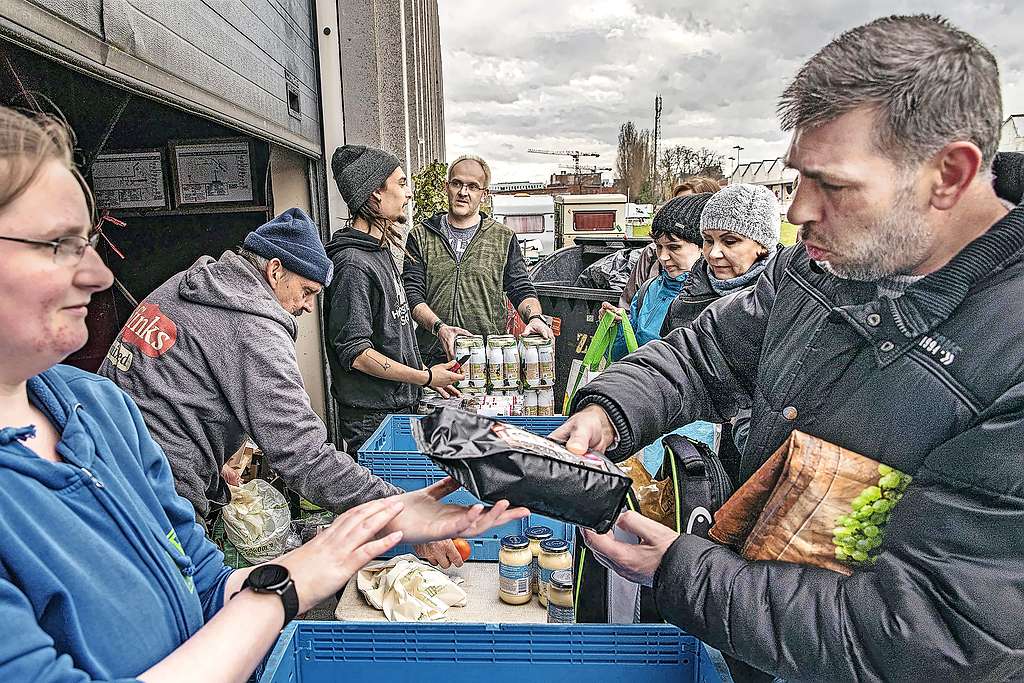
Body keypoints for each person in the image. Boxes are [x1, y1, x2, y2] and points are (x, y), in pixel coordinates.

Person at [553, 14, 1024, 682]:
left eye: (831, 185)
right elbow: (706, 354)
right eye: (798, 176)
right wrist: (609, 412)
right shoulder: (816, 265)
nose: (797, 212)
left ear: (948, 174)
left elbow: (930, 634)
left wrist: (680, 570)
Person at [0, 104, 526, 682]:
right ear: (274, 271)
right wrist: (359, 530)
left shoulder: (100, 407)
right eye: (57, 244)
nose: (99, 276)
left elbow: (196, 578)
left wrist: (369, 525)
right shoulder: (249, 319)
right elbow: (300, 451)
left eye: (90, 242)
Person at [98, 207, 464, 567]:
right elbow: (303, 455)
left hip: (100, 465)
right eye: (306, 291)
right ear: (275, 270)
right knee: (182, 601)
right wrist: (400, 513)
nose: (307, 307)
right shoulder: (254, 327)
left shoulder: (187, 284)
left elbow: (175, 382)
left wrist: (217, 454)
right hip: (153, 491)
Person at [324, 145, 462, 452]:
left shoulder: (379, 251)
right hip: (373, 419)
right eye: (401, 183)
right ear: (375, 194)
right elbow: (357, 353)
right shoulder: (353, 264)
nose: (408, 193)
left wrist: (428, 373)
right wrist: (425, 377)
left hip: (396, 410)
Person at [404, 154, 553, 365]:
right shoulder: (421, 236)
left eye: (473, 186)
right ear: (447, 187)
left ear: (484, 194)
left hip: (486, 357)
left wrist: (535, 318)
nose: (463, 192)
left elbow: (520, 287)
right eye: (457, 183)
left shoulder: (502, 238)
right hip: (431, 357)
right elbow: (412, 294)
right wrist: (440, 329)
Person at [599, 193, 711, 358]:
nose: (663, 257)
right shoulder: (649, 289)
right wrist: (618, 327)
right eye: (659, 247)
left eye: (674, 247)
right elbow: (621, 356)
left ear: (704, 246)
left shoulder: (714, 300)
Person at [619, 176, 722, 308]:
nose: (663, 256)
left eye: (693, 207)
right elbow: (630, 306)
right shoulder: (651, 256)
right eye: (677, 204)